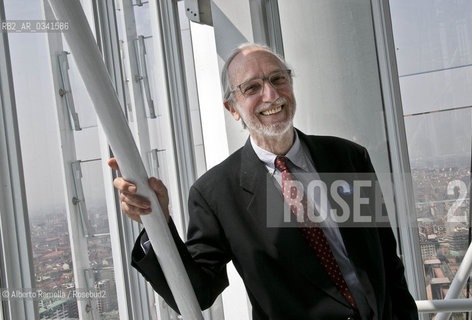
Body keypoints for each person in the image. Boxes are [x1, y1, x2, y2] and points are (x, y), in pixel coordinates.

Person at [108, 43, 418, 320]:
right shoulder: (216, 193)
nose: (271, 95)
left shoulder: (347, 158)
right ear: (233, 109)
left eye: (278, 78)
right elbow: (198, 292)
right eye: (252, 87)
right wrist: (157, 224)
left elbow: (386, 261)